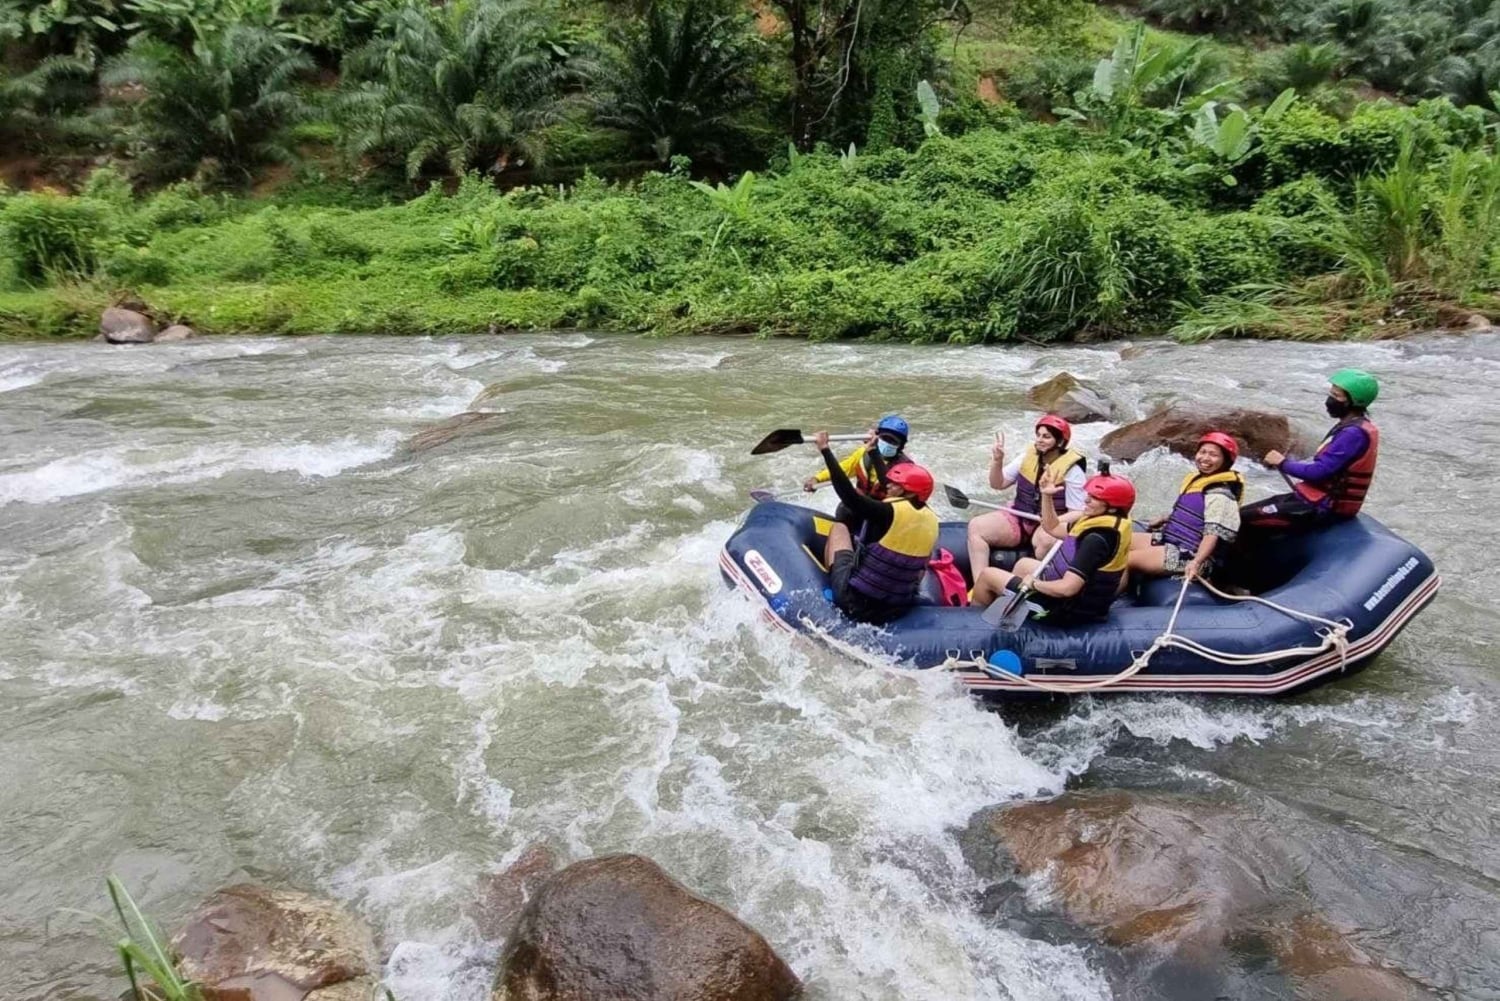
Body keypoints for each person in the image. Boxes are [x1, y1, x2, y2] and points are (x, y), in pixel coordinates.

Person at [970, 469, 1135, 625]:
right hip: (1071, 597)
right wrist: (1047, 496)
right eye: (1089, 495)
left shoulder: (1096, 540)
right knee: (1024, 565)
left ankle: (972, 627)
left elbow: (1068, 588)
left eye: (1095, 498)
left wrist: (1035, 584)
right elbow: (1053, 527)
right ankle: (1009, 613)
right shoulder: (1102, 521)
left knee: (987, 576)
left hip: (1064, 610)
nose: (1086, 500)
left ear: (1113, 507)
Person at [814, 429, 939, 624]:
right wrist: (873, 451)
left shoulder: (887, 512)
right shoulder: (932, 520)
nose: (888, 486)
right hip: (897, 608)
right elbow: (886, 480)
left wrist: (825, 450)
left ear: (909, 492)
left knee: (839, 529)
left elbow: (848, 495)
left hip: (855, 601)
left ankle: (832, 581)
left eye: (896, 485)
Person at [1240, 368, 1380, 539]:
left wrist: (1282, 463)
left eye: (1336, 396)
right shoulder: (1351, 425)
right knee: (1242, 514)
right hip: (1315, 499)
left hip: (1326, 507)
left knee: (1241, 520)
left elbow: (1319, 472)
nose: (1330, 400)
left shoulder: (1353, 434)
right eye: (1331, 393)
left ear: (1353, 401)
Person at [965, 414, 1087, 574]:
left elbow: (1078, 512)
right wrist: (997, 461)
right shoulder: (1027, 457)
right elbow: (998, 484)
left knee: (1044, 542)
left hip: (1052, 523)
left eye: (1046, 437)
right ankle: (980, 582)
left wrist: (1052, 521)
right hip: (1021, 516)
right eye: (1038, 435)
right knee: (976, 526)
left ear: (1060, 442)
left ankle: (1035, 580)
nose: (1040, 440)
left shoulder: (1073, 471)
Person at [1128, 432, 1244, 581]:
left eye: (1213, 455)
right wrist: (1164, 518)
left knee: (1125, 560)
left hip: (1192, 554)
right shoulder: (1198, 481)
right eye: (1202, 452)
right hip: (1172, 539)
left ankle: (1108, 595)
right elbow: (1193, 515)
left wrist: (1196, 562)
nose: (1205, 458)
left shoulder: (1221, 495)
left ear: (1225, 461)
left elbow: (1212, 535)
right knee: (1118, 542)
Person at [803, 414, 913, 499]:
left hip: (886, 511)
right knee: (844, 509)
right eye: (885, 438)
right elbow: (844, 468)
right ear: (877, 437)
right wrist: (817, 478)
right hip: (862, 504)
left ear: (901, 446)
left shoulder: (906, 467)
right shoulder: (863, 453)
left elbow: (888, 485)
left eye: (893, 441)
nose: (887, 443)